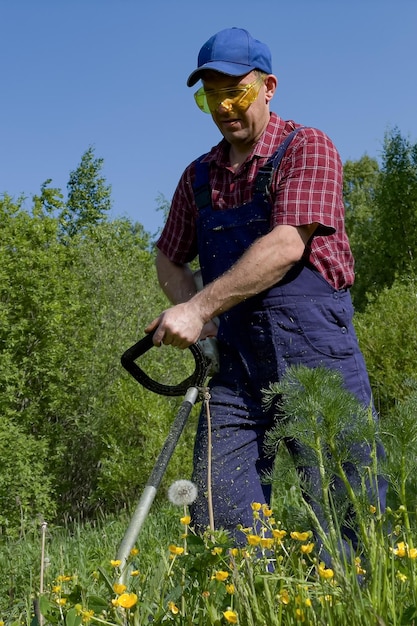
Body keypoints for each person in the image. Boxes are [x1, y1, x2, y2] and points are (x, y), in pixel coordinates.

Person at [146, 27, 387, 557]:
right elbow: (168, 255)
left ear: (269, 86)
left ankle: (357, 601)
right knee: (220, 511)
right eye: (211, 95)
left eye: (238, 92)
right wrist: (200, 320)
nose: (225, 106)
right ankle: (243, 601)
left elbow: (285, 245)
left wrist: (200, 304)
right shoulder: (198, 177)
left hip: (313, 353)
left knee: (346, 506)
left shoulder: (307, 147)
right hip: (232, 365)